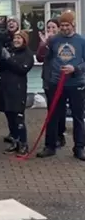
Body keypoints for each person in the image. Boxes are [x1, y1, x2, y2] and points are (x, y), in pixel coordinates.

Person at [38, 11, 85, 160]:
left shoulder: (81, 41)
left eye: (67, 25)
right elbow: (42, 58)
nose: (64, 28)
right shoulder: (54, 40)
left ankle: (79, 148)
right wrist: (43, 44)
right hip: (55, 83)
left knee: (78, 117)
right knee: (52, 115)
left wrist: (75, 69)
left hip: (75, 83)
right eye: (62, 25)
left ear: (73, 25)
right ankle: (50, 146)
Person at [0, 30, 35, 156]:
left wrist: (9, 60)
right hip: (5, 88)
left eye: (19, 38)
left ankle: (23, 144)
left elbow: (23, 69)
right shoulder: (10, 50)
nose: (16, 40)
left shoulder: (27, 54)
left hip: (17, 90)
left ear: (24, 40)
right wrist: (1, 56)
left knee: (18, 119)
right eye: (15, 38)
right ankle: (15, 141)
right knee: (10, 118)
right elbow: (0, 68)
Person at [36, 19, 63, 147]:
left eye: (53, 27)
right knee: (52, 109)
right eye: (48, 27)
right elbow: (40, 58)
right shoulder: (45, 42)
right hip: (48, 79)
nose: (50, 30)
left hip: (62, 79)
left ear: (58, 28)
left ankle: (60, 134)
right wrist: (44, 43)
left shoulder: (62, 41)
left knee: (61, 108)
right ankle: (53, 137)